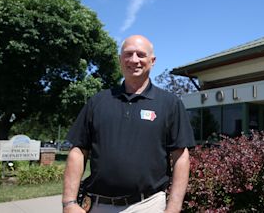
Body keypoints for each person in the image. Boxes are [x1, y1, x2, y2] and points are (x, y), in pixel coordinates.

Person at [62, 35, 195, 213]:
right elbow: (78, 151)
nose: (134, 60)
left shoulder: (170, 104)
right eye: (128, 54)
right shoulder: (98, 102)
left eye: (140, 54)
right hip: (98, 205)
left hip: (148, 205)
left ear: (152, 60)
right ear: (120, 60)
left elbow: (181, 156)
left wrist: (174, 207)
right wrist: (69, 202)